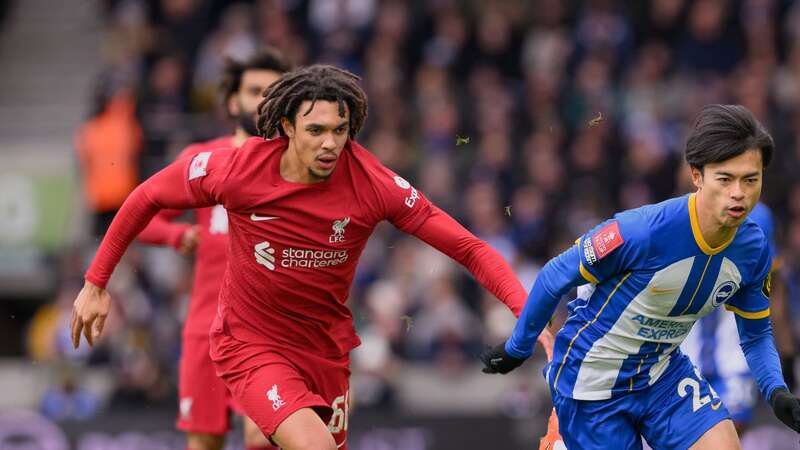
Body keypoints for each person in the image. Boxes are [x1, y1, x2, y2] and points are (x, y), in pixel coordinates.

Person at [70, 64, 553, 450]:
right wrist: (96, 283)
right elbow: (146, 196)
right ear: (285, 126)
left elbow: (467, 246)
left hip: (326, 352)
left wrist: (528, 314)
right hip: (250, 344)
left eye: (340, 130)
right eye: (316, 130)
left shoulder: (373, 184)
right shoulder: (237, 170)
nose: (330, 144)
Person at [481, 104, 800, 449]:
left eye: (750, 179)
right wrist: (517, 348)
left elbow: (755, 334)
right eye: (725, 179)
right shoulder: (642, 231)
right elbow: (554, 276)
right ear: (697, 176)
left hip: (662, 373)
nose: (739, 193)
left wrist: (776, 391)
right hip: (592, 384)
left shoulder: (752, 247)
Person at [136, 49, 291, 450]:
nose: (263, 100)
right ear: (232, 101)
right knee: (204, 442)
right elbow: (142, 217)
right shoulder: (203, 160)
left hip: (268, 331)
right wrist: (177, 236)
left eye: (274, 91)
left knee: (264, 433)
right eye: (255, 90)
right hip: (206, 327)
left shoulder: (297, 166)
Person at [681, 201, 791, 435]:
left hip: (733, 359)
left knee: (723, 434)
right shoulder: (677, 214)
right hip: (688, 358)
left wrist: (785, 356)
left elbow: (774, 292)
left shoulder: (757, 218)